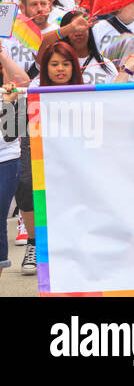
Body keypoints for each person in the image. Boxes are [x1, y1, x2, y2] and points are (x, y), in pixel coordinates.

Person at [1, 39, 84, 276]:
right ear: (45, 67)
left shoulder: (88, 92)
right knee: (26, 182)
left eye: (66, 64)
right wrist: (8, 106)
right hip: (36, 154)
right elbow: (10, 134)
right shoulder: (31, 93)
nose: (60, 69)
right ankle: (34, 244)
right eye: (54, 64)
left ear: (74, 67)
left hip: (74, 158)